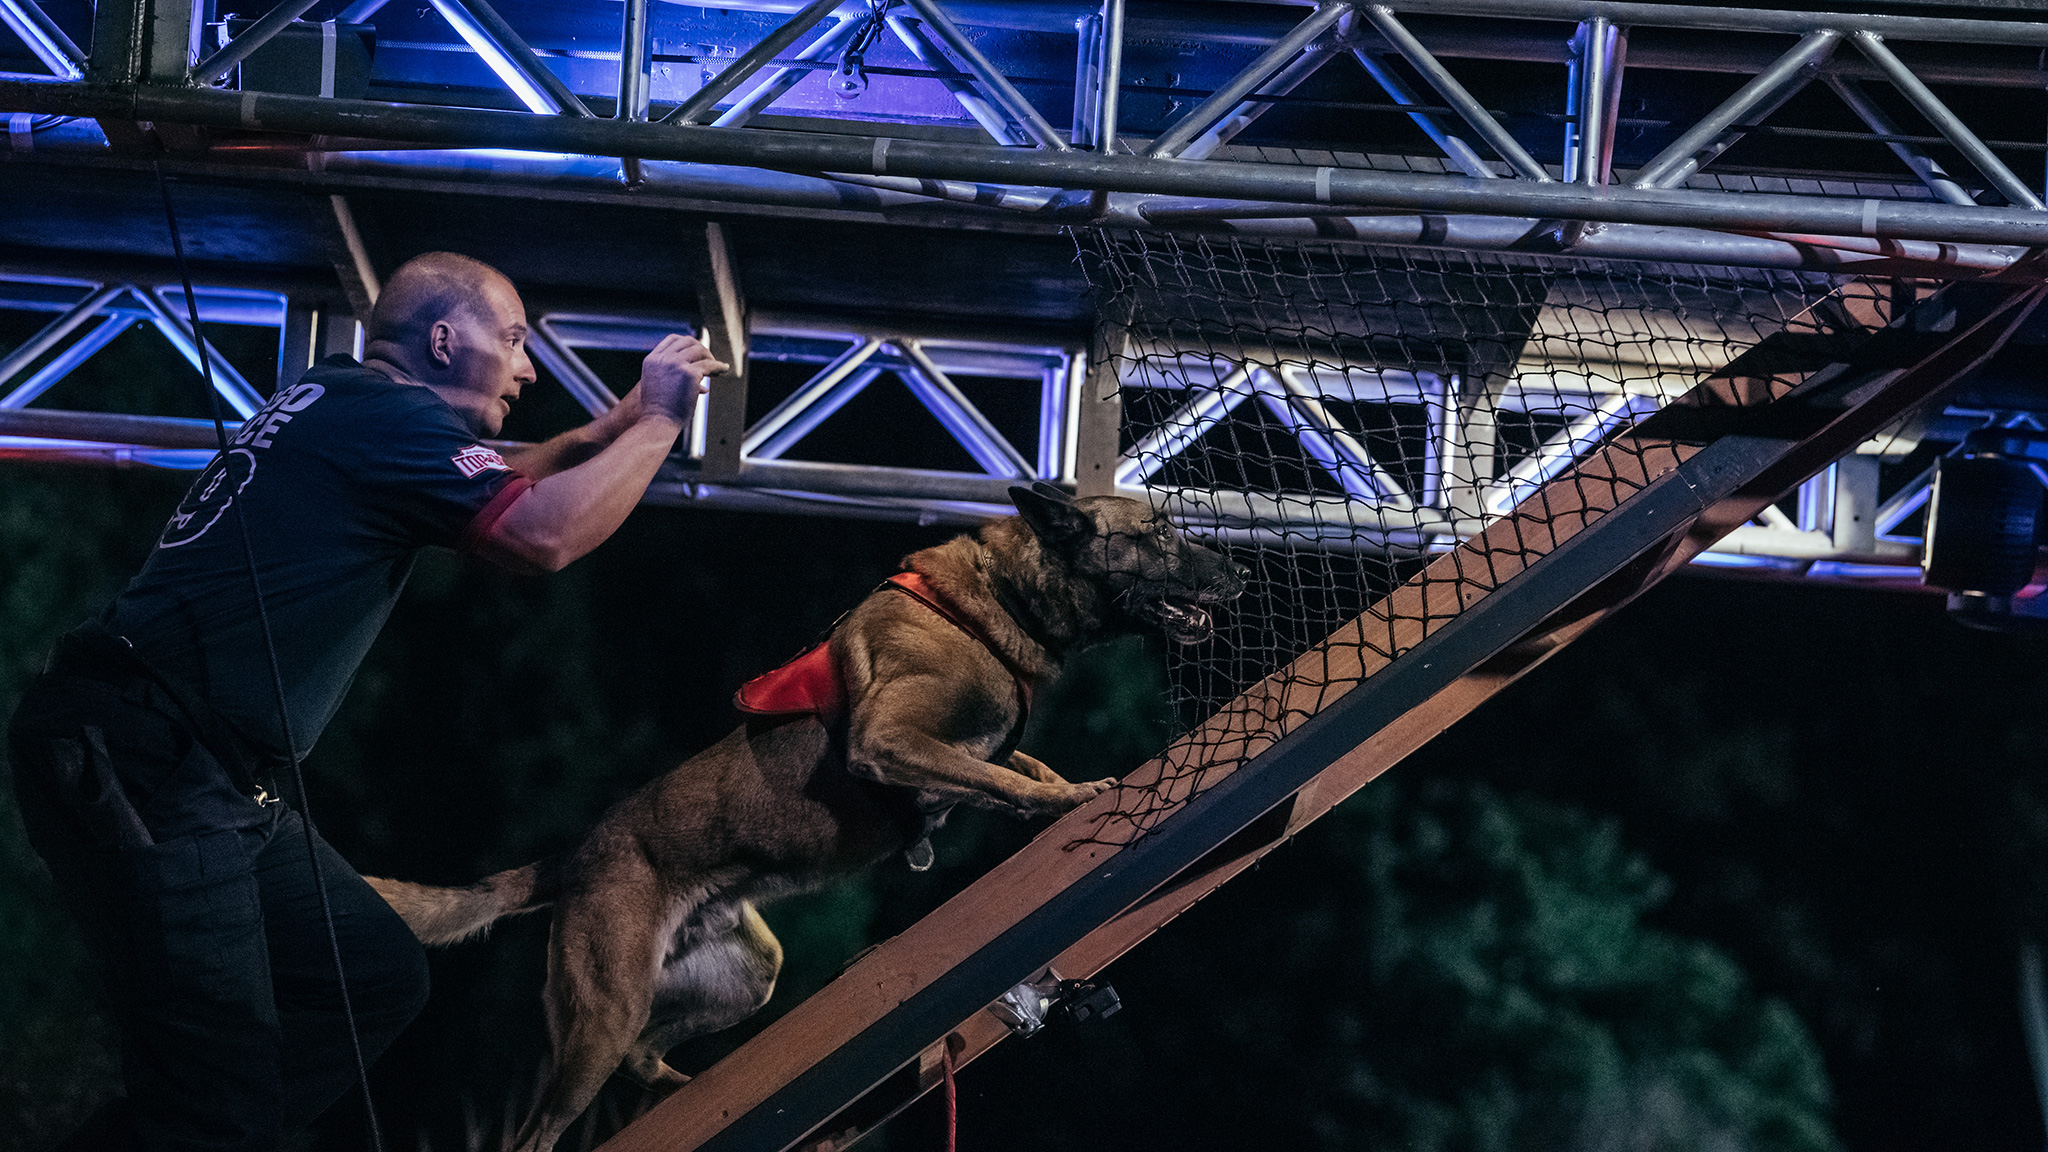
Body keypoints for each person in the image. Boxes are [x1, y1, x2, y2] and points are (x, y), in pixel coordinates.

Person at [7, 251, 725, 1151]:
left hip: (194, 767)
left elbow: (499, 485)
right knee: (215, 1095)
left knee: (369, 972)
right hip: (152, 761)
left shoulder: (346, 399)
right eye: (511, 341)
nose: (529, 369)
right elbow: (542, 535)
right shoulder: (388, 425)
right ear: (440, 339)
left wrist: (606, 430)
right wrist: (659, 419)